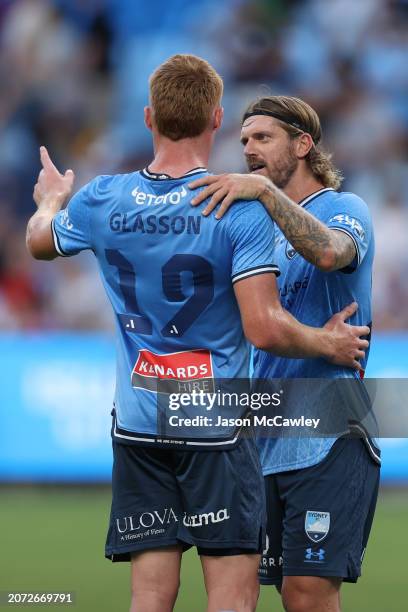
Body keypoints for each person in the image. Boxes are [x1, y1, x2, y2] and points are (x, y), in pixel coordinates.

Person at [26, 59, 369, 612]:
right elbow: (264, 328)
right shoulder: (234, 206)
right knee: (231, 597)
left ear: (148, 118)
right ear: (216, 119)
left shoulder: (101, 198)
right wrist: (327, 343)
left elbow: (40, 242)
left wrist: (49, 200)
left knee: (150, 595)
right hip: (216, 431)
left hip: (139, 423)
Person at [189, 95, 380, 612]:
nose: (248, 147)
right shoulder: (253, 229)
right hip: (266, 433)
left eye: (263, 137)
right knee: (268, 591)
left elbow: (330, 253)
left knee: (307, 593)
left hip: (332, 431)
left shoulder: (345, 208)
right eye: (244, 138)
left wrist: (265, 194)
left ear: (303, 144)